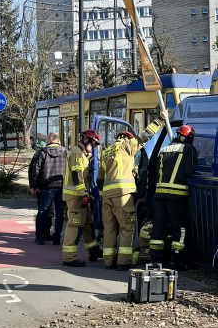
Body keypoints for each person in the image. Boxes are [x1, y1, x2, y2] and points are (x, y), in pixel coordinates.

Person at [97, 111, 166, 270]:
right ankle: (123, 262)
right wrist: (160, 120)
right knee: (127, 228)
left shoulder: (106, 152)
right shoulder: (126, 146)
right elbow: (145, 136)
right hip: (122, 195)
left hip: (107, 198)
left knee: (110, 229)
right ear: (127, 138)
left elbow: (100, 179)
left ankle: (108, 261)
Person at [149, 125, 197, 268]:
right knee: (179, 229)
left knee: (159, 227)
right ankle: (176, 261)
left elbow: (157, 171)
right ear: (189, 137)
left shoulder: (165, 149)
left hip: (160, 195)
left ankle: (156, 260)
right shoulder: (188, 149)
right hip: (177, 196)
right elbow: (190, 171)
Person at [60, 129, 103, 267]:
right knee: (75, 224)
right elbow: (76, 175)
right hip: (76, 196)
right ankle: (69, 258)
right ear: (86, 141)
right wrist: (83, 194)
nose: (94, 147)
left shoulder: (83, 155)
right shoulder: (77, 154)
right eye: (93, 144)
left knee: (87, 223)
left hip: (80, 195)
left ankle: (94, 250)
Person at [28, 132, 67, 245]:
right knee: (59, 213)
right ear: (58, 141)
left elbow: (36, 169)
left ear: (49, 139)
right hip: (62, 186)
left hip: (46, 187)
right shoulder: (65, 152)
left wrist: (34, 186)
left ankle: (40, 237)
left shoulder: (42, 152)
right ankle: (56, 237)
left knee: (42, 211)